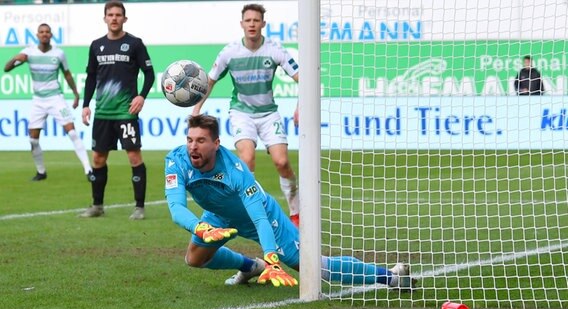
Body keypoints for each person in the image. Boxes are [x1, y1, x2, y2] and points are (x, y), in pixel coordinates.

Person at [164, 114, 415, 289]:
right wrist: (200, 227)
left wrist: (272, 258)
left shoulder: (236, 171)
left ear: (216, 144)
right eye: (189, 140)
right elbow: (176, 208)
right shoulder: (177, 161)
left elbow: (260, 217)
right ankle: (251, 266)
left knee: (315, 269)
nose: (192, 147)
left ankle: (391, 276)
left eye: (200, 141)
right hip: (217, 216)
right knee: (194, 259)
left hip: (262, 217)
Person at [192, 3, 300, 227]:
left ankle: (296, 211)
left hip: (269, 114)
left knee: (282, 163)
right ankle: (250, 210)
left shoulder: (275, 49)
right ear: (242, 24)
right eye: (248, 20)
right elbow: (209, 81)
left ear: (263, 24)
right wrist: (196, 109)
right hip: (241, 113)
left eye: (256, 20)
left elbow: (303, 77)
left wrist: (301, 107)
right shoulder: (230, 52)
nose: (252, 24)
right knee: (247, 159)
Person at [80, 0, 155, 220]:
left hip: (125, 112)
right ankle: (97, 206)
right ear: (105, 18)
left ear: (124, 18)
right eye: (110, 15)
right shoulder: (96, 45)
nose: (114, 18)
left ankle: (139, 207)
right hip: (103, 112)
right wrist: (86, 104)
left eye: (118, 15)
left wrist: (142, 96)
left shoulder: (135, 44)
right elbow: (91, 77)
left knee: (133, 156)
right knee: (98, 159)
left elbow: (149, 74)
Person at [3, 23, 92, 182]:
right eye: (41, 32)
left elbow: (67, 74)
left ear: (51, 35)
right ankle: (41, 172)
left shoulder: (59, 53)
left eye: (47, 32)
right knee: (33, 139)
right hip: (38, 100)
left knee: (71, 131)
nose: (44, 34)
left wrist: (76, 94)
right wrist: (16, 59)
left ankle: (88, 170)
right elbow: (6, 68)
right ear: (37, 35)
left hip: (56, 98)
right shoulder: (28, 52)